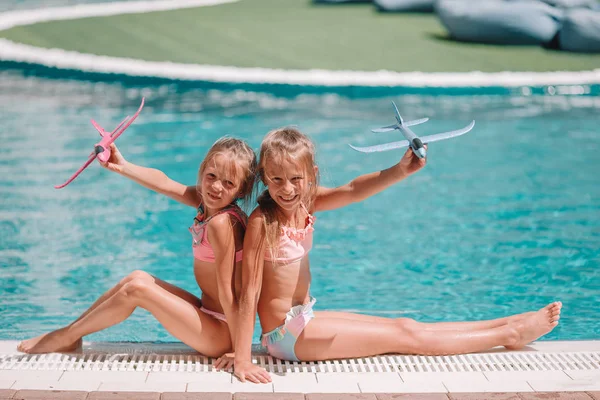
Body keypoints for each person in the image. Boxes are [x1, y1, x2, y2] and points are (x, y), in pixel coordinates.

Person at [231, 127, 562, 383]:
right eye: (275, 180)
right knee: (404, 337)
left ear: (311, 174)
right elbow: (248, 294)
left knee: (406, 324)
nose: (286, 189)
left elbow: (352, 190)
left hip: (304, 319)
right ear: (263, 177)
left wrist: (400, 170)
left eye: (295, 179)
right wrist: (243, 358)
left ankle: (507, 322)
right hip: (284, 337)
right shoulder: (263, 222)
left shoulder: (305, 203)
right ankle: (510, 335)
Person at [18, 137, 257, 357]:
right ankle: (71, 333)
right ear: (203, 171)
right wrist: (123, 165)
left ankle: (65, 337)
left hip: (223, 332)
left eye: (228, 183)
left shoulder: (222, 224)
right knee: (138, 277)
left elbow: (230, 294)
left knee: (138, 289)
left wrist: (240, 353)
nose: (216, 187)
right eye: (212, 176)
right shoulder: (207, 204)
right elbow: (164, 183)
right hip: (209, 313)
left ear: (242, 189)